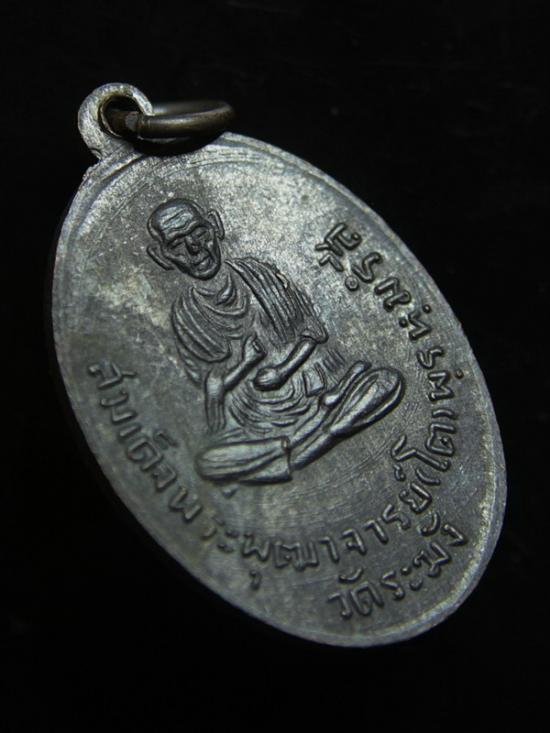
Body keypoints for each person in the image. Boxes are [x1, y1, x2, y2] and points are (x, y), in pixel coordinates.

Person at [147, 198, 404, 484]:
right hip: (260, 420)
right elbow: (213, 394)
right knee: (208, 463)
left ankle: (300, 447)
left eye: (199, 232)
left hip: (317, 385)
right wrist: (245, 365)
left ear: (215, 225)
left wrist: (283, 370)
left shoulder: (257, 273)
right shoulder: (186, 315)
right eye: (177, 244)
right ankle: (318, 435)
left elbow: (312, 332)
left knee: (387, 381)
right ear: (162, 256)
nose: (195, 248)